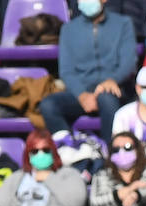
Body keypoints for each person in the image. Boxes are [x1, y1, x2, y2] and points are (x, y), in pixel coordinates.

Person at [38, 0, 137, 142]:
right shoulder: (68, 29)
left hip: (114, 89)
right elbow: (66, 71)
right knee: (48, 105)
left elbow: (128, 64)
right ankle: (68, 149)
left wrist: (112, 80)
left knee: (106, 99)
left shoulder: (123, 24)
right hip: (82, 91)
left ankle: (110, 154)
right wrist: (82, 95)